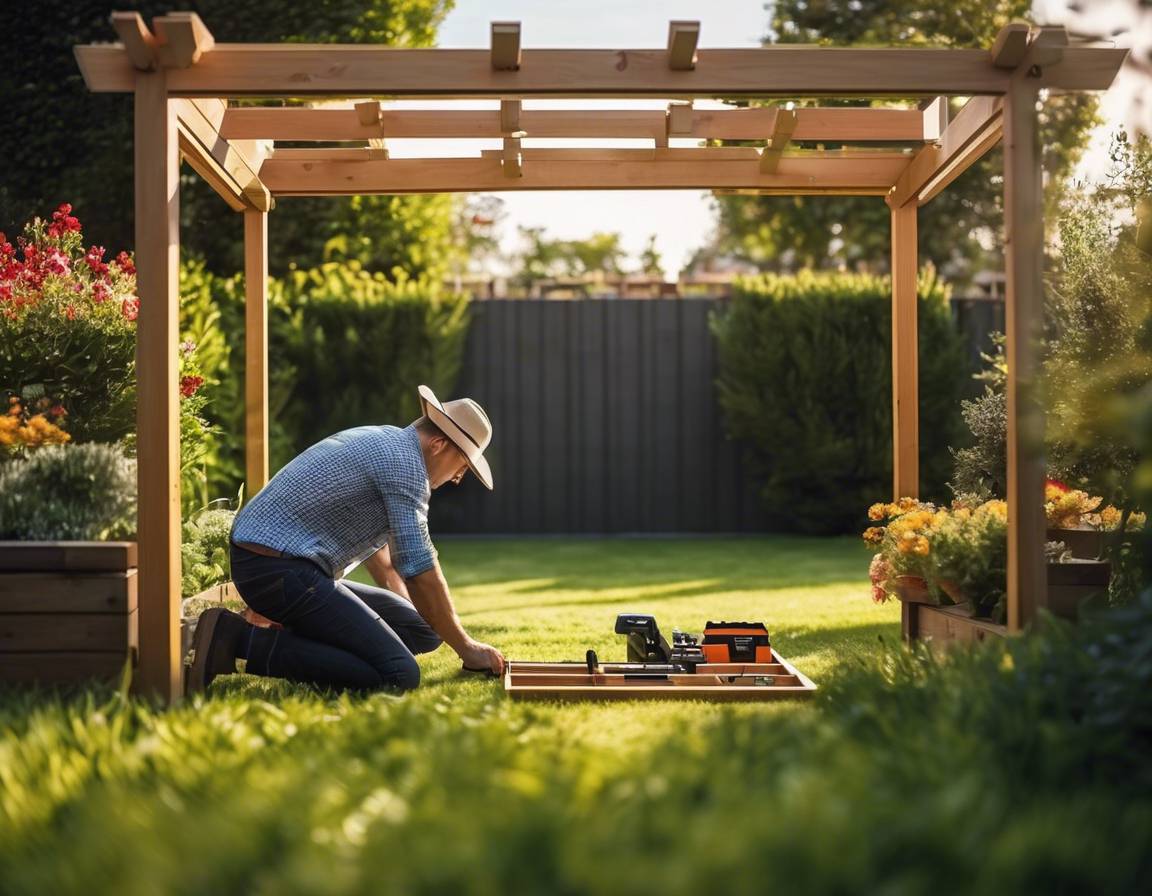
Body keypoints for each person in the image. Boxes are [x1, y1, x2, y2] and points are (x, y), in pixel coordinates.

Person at [186, 385, 505, 693]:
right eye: (462, 465)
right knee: (399, 673)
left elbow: (379, 555)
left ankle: (299, 639)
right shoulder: (406, 466)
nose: (460, 477)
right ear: (439, 445)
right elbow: (419, 567)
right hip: (276, 571)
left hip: (274, 565)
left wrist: (387, 621)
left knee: (423, 630)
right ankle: (237, 644)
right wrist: (467, 648)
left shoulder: (387, 440)